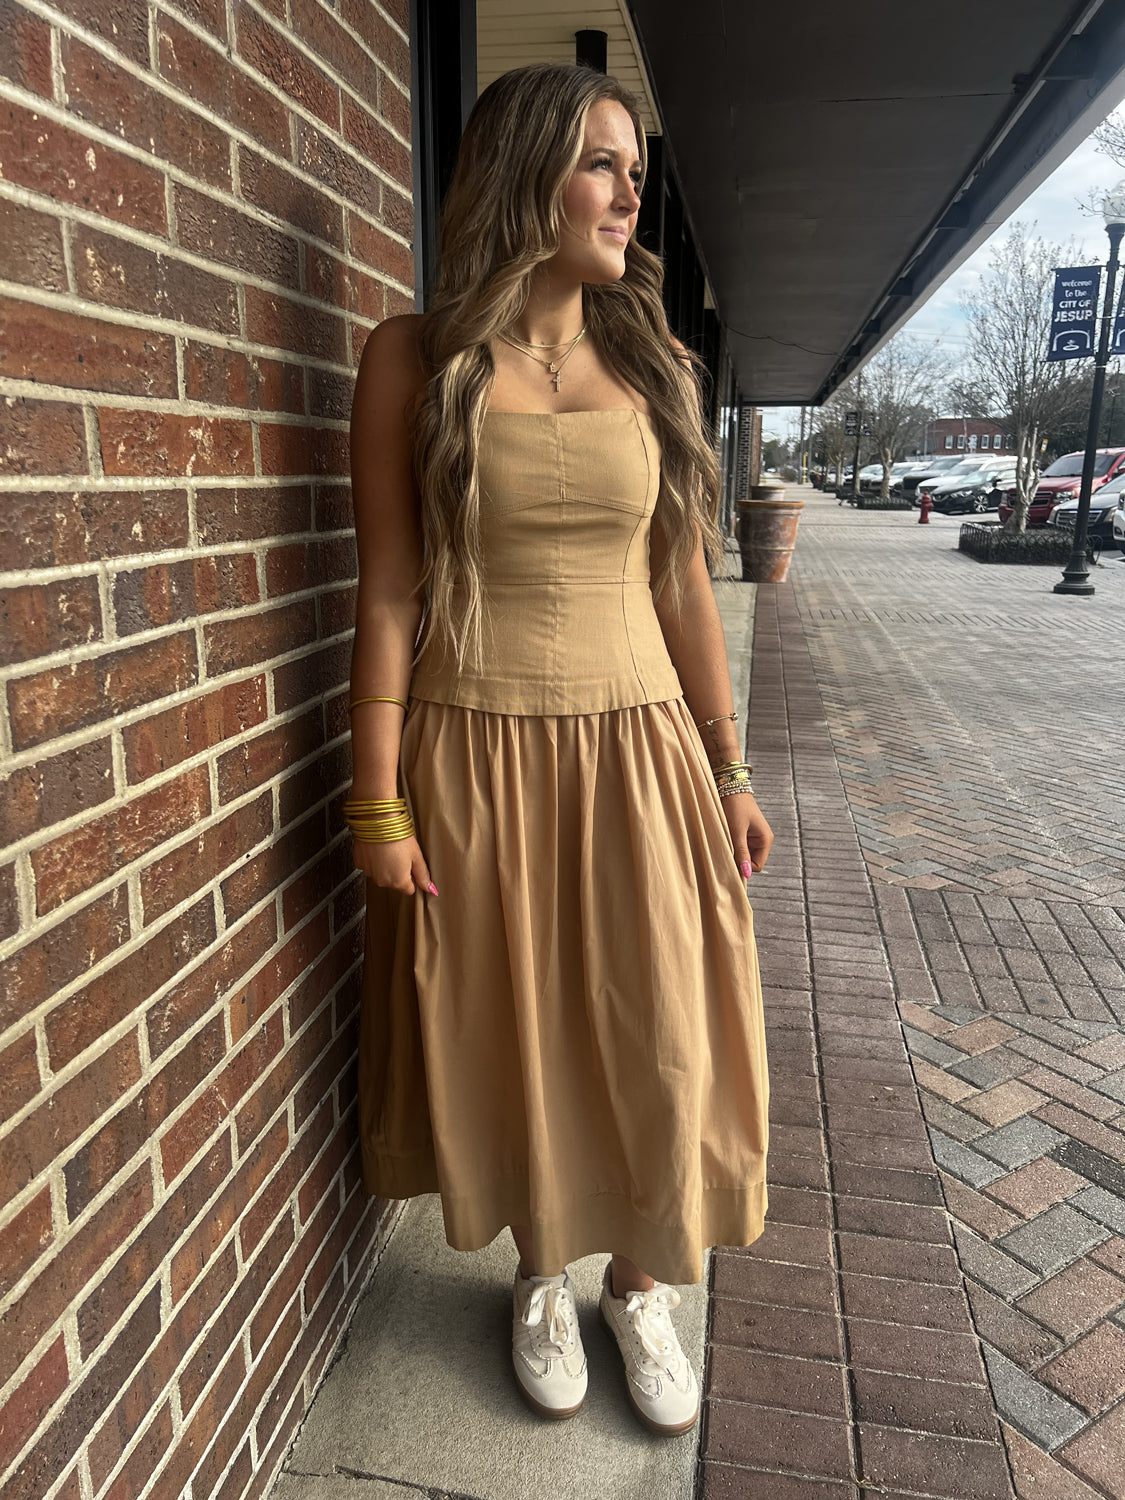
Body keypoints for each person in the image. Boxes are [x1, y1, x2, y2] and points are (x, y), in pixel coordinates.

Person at [348, 62, 771, 1437]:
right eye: (601, 163)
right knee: (519, 1026)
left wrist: (729, 767)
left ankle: (639, 1284)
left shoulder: (655, 364)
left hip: (640, 749)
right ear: (525, 173)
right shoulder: (412, 358)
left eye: (633, 170)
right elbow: (390, 593)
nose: (628, 193)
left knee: (657, 1028)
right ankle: (540, 1274)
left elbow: (683, 583)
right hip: (474, 753)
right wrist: (375, 803)